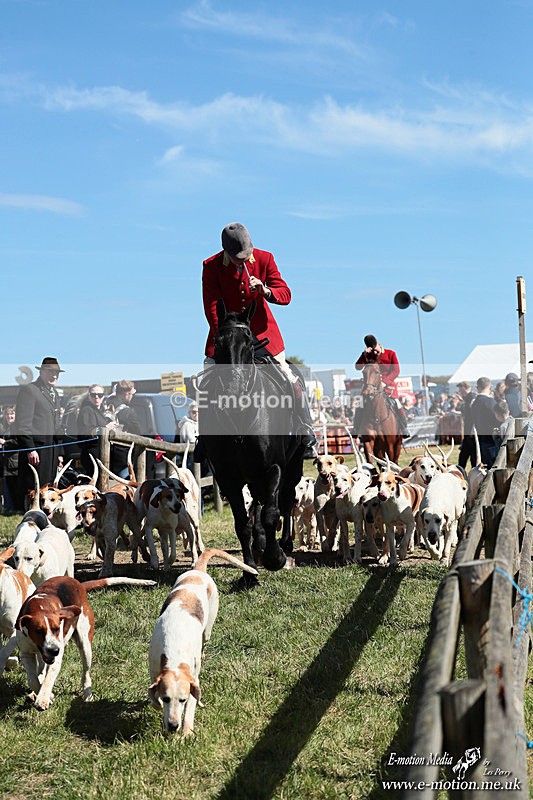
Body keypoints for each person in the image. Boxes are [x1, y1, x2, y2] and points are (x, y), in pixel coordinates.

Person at [201, 222, 315, 451]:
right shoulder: (211, 266)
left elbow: (286, 294)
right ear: (226, 252)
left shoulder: (265, 258)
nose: (244, 261)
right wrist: (223, 337)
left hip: (263, 334)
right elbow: (211, 306)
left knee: (289, 376)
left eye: (247, 255)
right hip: (229, 335)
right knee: (207, 379)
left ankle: (305, 428)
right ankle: (204, 437)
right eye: (238, 258)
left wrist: (266, 291)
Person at [16, 356, 65, 498]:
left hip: (52, 449)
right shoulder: (30, 390)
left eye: (56, 373)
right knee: (34, 486)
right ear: (41, 372)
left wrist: (60, 452)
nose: (54, 376)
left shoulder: (54, 393)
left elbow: (57, 425)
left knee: (48, 487)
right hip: (37, 449)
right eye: (50, 372)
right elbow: (22, 423)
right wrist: (30, 448)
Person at [354, 334, 408, 434]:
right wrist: (363, 354)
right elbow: (357, 367)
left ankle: (404, 428)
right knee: (360, 403)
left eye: (376, 350)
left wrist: (385, 382)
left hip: (388, 386)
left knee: (397, 403)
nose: (375, 352)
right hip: (371, 386)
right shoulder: (368, 355)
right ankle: (356, 428)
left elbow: (396, 371)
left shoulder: (391, 353)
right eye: (373, 351)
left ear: (379, 344)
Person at [77, 384, 116, 475]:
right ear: (89, 396)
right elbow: (85, 432)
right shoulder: (87, 410)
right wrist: (105, 428)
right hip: (91, 455)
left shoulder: (98, 411)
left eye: (100, 395)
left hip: (101, 454)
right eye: (93, 395)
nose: (97, 397)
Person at [106, 380, 141, 478]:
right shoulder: (128, 412)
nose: (132, 396)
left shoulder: (103, 405)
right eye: (131, 394)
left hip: (104, 451)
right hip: (123, 454)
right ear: (126, 394)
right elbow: (137, 432)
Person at [471, 377, 499, 468]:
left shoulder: (474, 403)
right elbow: (497, 420)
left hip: (480, 439)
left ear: (477, 387)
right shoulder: (491, 402)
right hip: (491, 440)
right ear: (490, 386)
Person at [0, 406, 20, 511]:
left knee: (14, 486)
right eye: (7, 414)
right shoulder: (4, 427)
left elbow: (18, 442)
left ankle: (15, 508)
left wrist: (5, 443)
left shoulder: (16, 427)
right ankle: (9, 507)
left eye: (12, 414)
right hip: (6, 462)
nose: (9, 416)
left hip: (14, 462)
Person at [457, 381, 476, 469]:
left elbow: (474, 415)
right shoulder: (468, 398)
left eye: (460, 389)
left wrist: (473, 430)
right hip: (469, 432)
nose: (459, 391)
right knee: (466, 455)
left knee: (465, 456)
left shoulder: (471, 398)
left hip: (471, 432)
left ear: (463, 388)